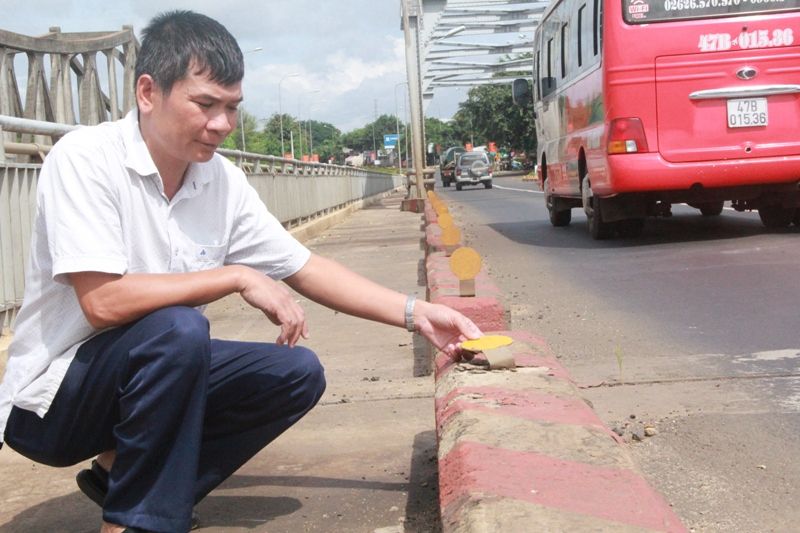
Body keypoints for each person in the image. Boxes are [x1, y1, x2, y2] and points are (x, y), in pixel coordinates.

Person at [0, 10, 482, 533]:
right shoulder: (86, 160)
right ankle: (137, 521)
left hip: (141, 382)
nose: (223, 124)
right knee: (180, 329)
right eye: (205, 104)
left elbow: (305, 266)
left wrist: (417, 313)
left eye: (231, 107)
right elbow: (103, 303)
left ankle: (128, 481)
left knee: (294, 374)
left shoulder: (220, 180)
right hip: (54, 403)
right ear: (147, 92)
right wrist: (237, 275)